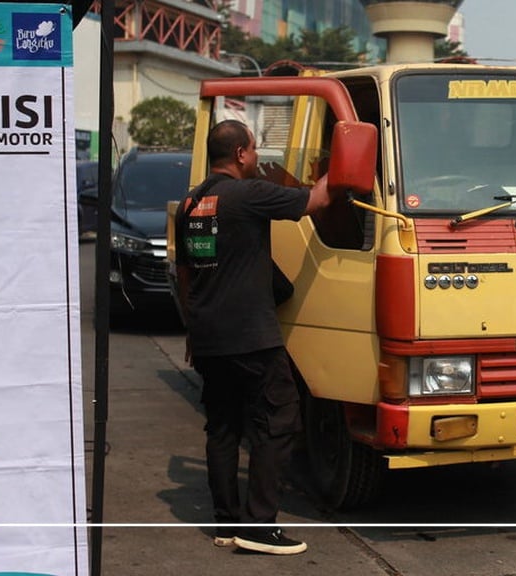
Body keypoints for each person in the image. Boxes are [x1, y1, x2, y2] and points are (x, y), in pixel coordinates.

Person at [175, 119, 332, 554]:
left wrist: (193, 329)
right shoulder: (248, 195)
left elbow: (184, 273)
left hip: (208, 336)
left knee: (224, 427)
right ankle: (259, 526)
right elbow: (317, 199)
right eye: (254, 149)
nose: (258, 156)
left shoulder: (192, 203)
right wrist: (344, 160)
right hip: (250, 336)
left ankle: (225, 523)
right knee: (279, 420)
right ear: (242, 154)